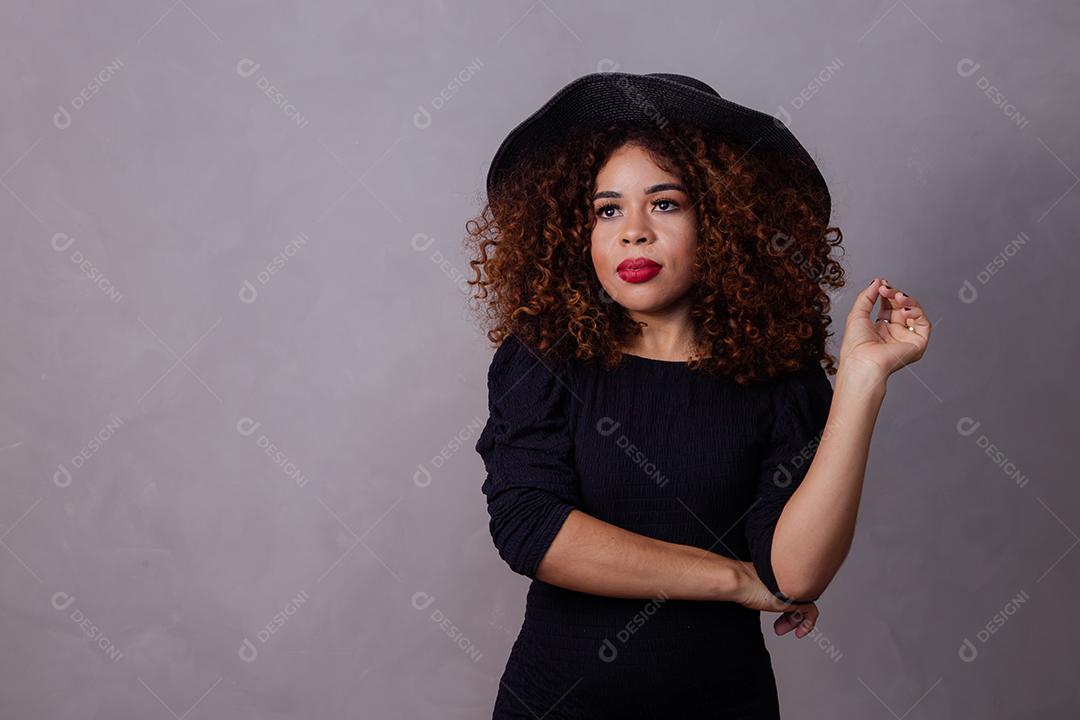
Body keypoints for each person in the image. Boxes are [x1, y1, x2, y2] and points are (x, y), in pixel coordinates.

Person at [464, 71, 931, 719]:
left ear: (722, 221)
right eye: (607, 209)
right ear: (576, 231)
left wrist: (860, 382)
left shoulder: (781, 378)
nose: (633, 231)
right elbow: (531, 530)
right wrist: (735, 580)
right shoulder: (543, 360)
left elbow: (795, 576)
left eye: (665, 203)